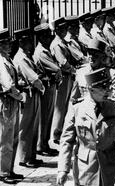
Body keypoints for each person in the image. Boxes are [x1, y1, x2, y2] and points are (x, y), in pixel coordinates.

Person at [13, 28, 45, 168]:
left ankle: (31, 155)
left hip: (33, 92)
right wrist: (42, 86)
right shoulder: (21, 58)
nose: (30, 43)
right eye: (26, 41)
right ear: (20, 42)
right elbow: (34, 78)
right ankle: (24, 157)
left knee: (33, 125)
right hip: (27, 93)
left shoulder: (27, 55)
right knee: (26, 127)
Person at [0, 29, 26, 185]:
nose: (9, 45)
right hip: (7, 101)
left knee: (13, 137)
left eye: (9, 42)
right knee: (5, 139)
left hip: (12, 101)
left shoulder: (6, 59)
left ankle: (9, 169)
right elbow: (8, 85)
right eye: (5, 43)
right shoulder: (1, 61)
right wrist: (20, 95)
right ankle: (3, 172)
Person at [33, 23, 62, 157]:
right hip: (46, 86)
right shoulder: (41, 51)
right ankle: (41, 145)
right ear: (40, 37)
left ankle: (44, 143)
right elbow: (56, 68)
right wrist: (58, 70)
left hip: (50, 85)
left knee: (48, 116)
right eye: (46, 36)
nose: (49, 38)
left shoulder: (46, 49)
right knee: (44, 117)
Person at [50, 17, 76, 144]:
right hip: (63, 77)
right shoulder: (56, 44)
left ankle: (61, 131)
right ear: (57, 30)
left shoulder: (63, 42)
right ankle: (56, 133)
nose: (65, 31)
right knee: (60, 106)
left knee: (66, 105)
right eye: (62, 29)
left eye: (66, 28)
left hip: (68, 76)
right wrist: (73, 69)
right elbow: (63, 62)